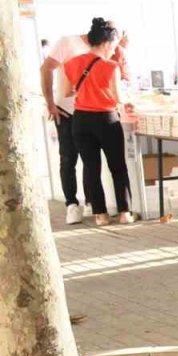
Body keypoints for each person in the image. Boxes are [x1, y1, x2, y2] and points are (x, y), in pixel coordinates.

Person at [63, 18, 132, 226]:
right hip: (106, 119)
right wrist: (127, 102)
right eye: (114, 45)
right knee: (118, 167)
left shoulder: (71, 63)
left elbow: (67, 91)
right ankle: (124, 213)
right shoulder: (111, 66)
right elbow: (118, 98)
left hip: (81, 120)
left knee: (91, 168)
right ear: (106, 43)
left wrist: (87, 90)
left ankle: (100, 216)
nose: (114, 50)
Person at [41, 25, 94, 225]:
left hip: (90, 110)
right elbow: (46, 68)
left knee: (91, 158)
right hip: (66, 111)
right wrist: (50, 103)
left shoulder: (104, 48)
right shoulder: (68, 42)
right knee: (68, 158)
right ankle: (71, 204)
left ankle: (91, 201)